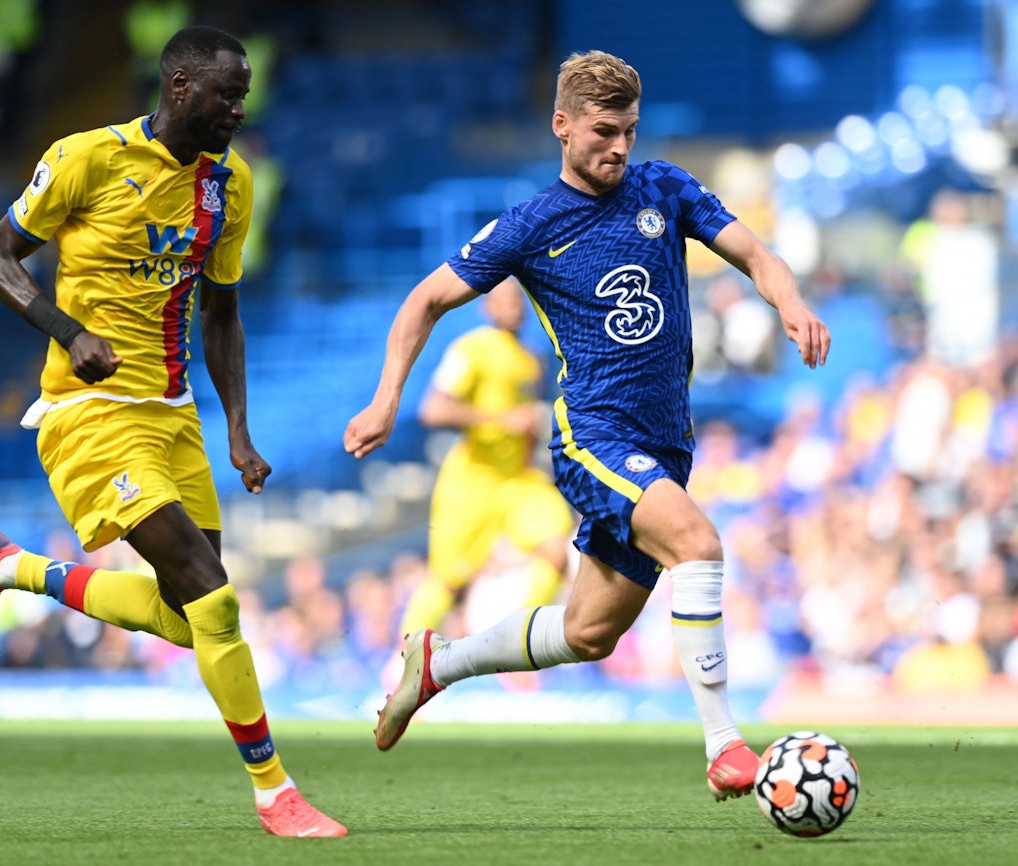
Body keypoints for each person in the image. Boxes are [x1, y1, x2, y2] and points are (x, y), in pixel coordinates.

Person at [344, 49, 830, 800]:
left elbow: (755, 253)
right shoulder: (531, 225)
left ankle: (439, 662)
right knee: (697, 545)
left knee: (587, 634)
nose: (619, 147)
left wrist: (789, 304)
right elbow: (423, 302)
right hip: (593, 436)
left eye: (629, 131)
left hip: (666, 441)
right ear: (562, 125)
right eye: (604, 131)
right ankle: (724, 744)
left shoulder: (663, 187)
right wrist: (384, 401)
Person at [0, 25, 346, 838]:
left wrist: (237, 429)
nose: (238, 110)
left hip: (172, 418)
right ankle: (275, 791)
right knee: (214, 596)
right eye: (225, 96)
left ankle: (11, 568)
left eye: (243, 96)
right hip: (88, 416)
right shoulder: (86, 158)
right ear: (178, 89)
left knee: (185, 616)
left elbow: (223, 311)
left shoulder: (229, 186)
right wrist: (65, 330)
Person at [398, 275, 573, 639]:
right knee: (447, 581)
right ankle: (403, 662)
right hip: (473, 479)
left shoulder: (532, 362)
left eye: (519, 298)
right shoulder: (472, 349)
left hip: (518, 480)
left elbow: (528, 422)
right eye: (505, 298)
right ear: (486, 307)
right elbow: (433, 409)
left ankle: (517, 646)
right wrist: (501, 420)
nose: (515, 305)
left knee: (557, 551)